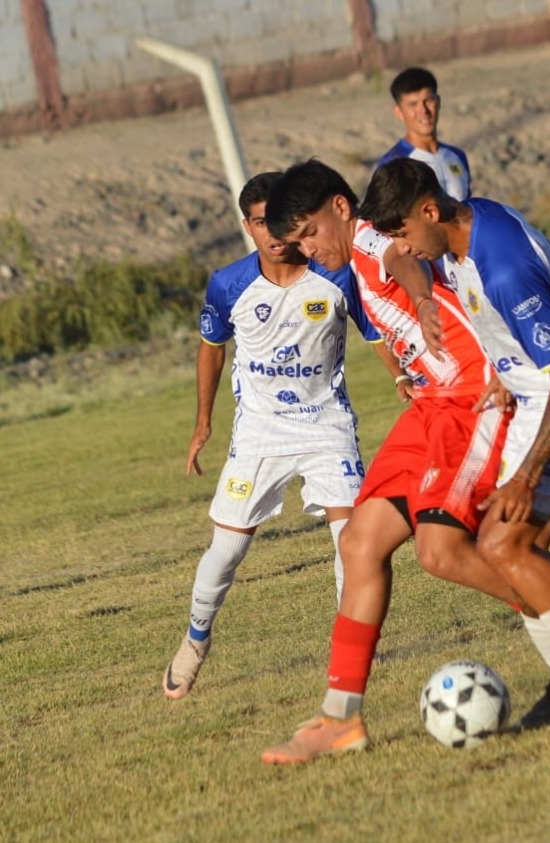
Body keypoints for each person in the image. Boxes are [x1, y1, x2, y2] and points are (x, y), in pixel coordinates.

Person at [256, 161, 550, 762]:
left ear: (340, 208)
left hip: (468, 401)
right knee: (359, 543)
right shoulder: (351, 258)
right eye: (295, 242)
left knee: (443, 551)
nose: (306, 248)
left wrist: (426, 300)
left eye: (308, 231)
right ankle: (339, 719)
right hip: (431, 405)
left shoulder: (374, 240)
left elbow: (406, 266)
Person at [361, 157, 550, 733]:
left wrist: (525, 477)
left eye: (400, 234)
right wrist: (504, 370)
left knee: (502, 542)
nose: (402, 249)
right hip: (534, 393)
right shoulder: (465, 233)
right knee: (514, 546)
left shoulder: (503, 265)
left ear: (428, 210)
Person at [164, 171, 384, 700]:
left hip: (327, 426)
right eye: (261, 223)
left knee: (351, 543)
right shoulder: (228, 284)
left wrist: (405, 376)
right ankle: (196, 640)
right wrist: (202, 423)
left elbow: (377, 331)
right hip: (260, 433)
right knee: (225, 551)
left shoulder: (334, 274)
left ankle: (346, 654)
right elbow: (211, 346)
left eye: (280, 222)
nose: (275, 234)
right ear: (248, 226)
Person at [377, 68, 472, 202]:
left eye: (428, 100)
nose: (423, 111)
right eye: (413, 104)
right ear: (398, 112)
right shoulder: (393, 164)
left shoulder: (457, 157)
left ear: (438, 102)